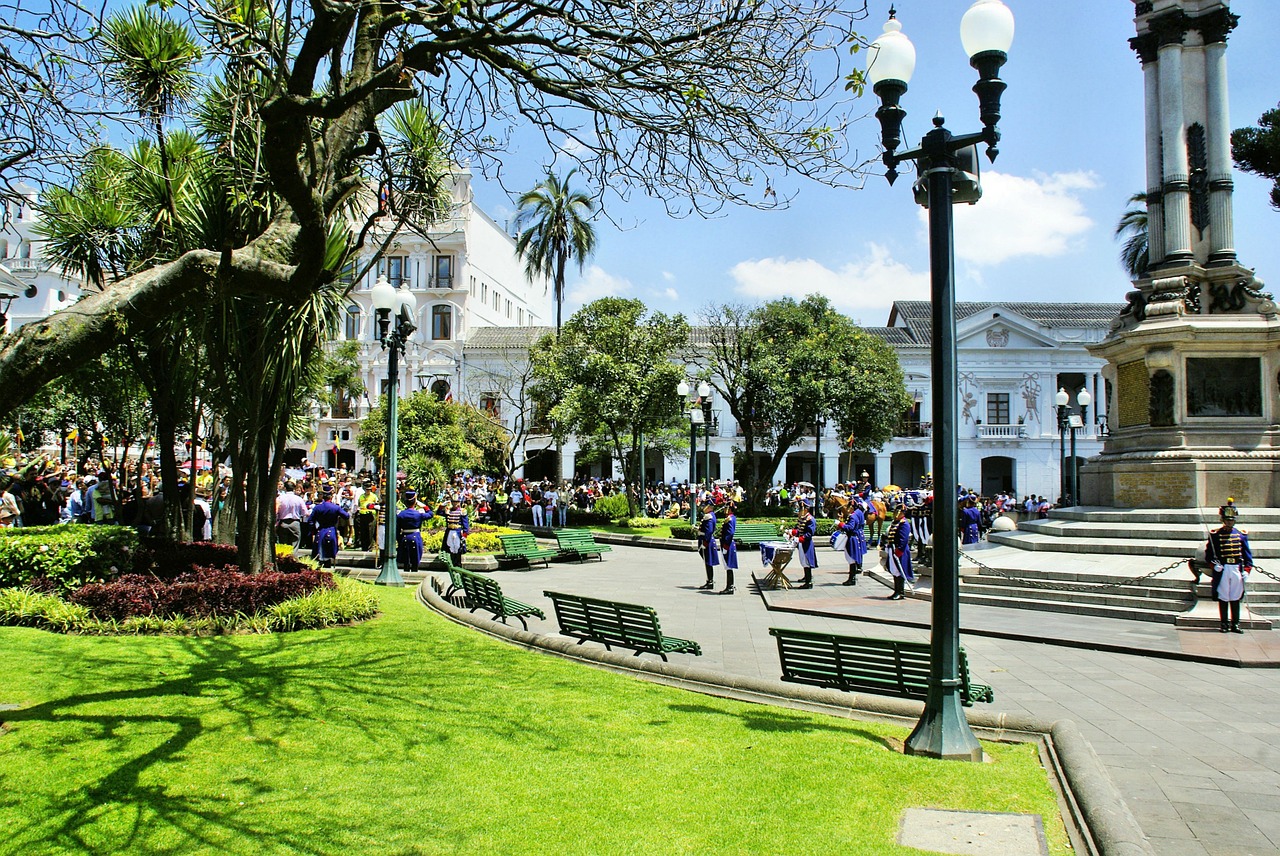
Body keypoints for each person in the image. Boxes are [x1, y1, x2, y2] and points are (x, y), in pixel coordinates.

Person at [1205, 502, 1253, 633]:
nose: (1230, 523)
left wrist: (1247, 571)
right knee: (1223, 596)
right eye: (1227, 520)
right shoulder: (1215, 535)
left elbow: (1247, 556)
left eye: (1232, 520)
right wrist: (1214, 566)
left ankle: (1235, 624)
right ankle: (1224, 624)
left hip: (1236, 568)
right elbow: (1208, 555)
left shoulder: (1241, 535)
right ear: (1222, 520)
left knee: (1235, 597)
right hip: (1223, 568)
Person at [307, 485, 349, 568]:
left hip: (320, 531)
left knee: (319, 555)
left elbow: (310, 521)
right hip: (331, 530)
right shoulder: (335, 507)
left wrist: (314, 530)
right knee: (329, 553)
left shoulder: (317, 507)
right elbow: (346, 516)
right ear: (331, 496)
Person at [396, 488, 435, 573]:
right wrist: (424, 506)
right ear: (415, 502)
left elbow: (397, 529)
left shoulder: (400, 514)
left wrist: (399, 539)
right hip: (415, 536)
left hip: (404, 537)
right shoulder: (418, 514)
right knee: (415, 560)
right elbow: (431, 514)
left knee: (406, 561)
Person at [884, 505, 914, 600]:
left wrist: (898, 551)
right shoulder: (896, 522)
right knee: (894, 570)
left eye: (898, 512)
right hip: (892, 549)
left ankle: (901, 592)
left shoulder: (904, 524)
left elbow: (903, 539)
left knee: (899, 571)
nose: (895, 514)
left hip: (899, 550)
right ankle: (896, 590)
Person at [837, 500, 868, 585]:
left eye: (849, 507)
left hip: (853, 537)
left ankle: (852, 579)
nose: (847, 509)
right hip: (857, 536)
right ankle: (852, 577)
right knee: (853, 558)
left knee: (851, 558)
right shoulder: (858, 513)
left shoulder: (853, 516)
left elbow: (850, 527)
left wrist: (841, 525)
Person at [441, 494, 470, 569]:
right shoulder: (448, 510)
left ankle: (458, 564)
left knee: (458, 547)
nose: (455, 503)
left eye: (456, 502)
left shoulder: (462, 511)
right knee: (450, 546)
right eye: (453, 502)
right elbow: (439, 513)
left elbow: (465, 523)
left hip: (457, 531)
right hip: (449, 530)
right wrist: (442, 505)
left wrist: (465, 534)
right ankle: (452, 563)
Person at [794, 499, 818, 589]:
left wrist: (800, 538)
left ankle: (809, 582)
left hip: (806, 543)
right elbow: (798, 529)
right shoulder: (802, 518)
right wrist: (792, 532)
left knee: (807, 562)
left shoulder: (810, 519)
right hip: (801, 543)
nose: (800, 510)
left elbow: (809, 533)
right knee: (804, 562)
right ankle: (807, 579)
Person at [275, 480, 306, 548]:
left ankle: (283, 558)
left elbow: (276, 511)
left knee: (283, 545)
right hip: (295, 522)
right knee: (294, 545)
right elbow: (305, 512)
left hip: (283, 523)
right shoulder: (299, 499)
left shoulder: (280, 498)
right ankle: (293, 557)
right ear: (294, 489)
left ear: (285, 488)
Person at [696, 501, 719, 590]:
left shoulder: (709, 516)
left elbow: (708, 532)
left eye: (705, 506)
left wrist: (704, 543)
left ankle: (710, 581)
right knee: (707, 562)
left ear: (709, 507)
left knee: (708, 562)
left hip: (707, 542)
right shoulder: (710, 515)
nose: (703, 508)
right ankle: (709, 580)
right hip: (707, 541)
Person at [718, 502, 738, 594]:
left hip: (728, 545)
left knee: (728, 566)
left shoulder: (730, 519)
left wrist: (725, 546)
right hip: (728, 544)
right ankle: (730, 585)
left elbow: (730, 533)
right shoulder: (731, 518)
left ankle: (730, 587)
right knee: (728, 566)